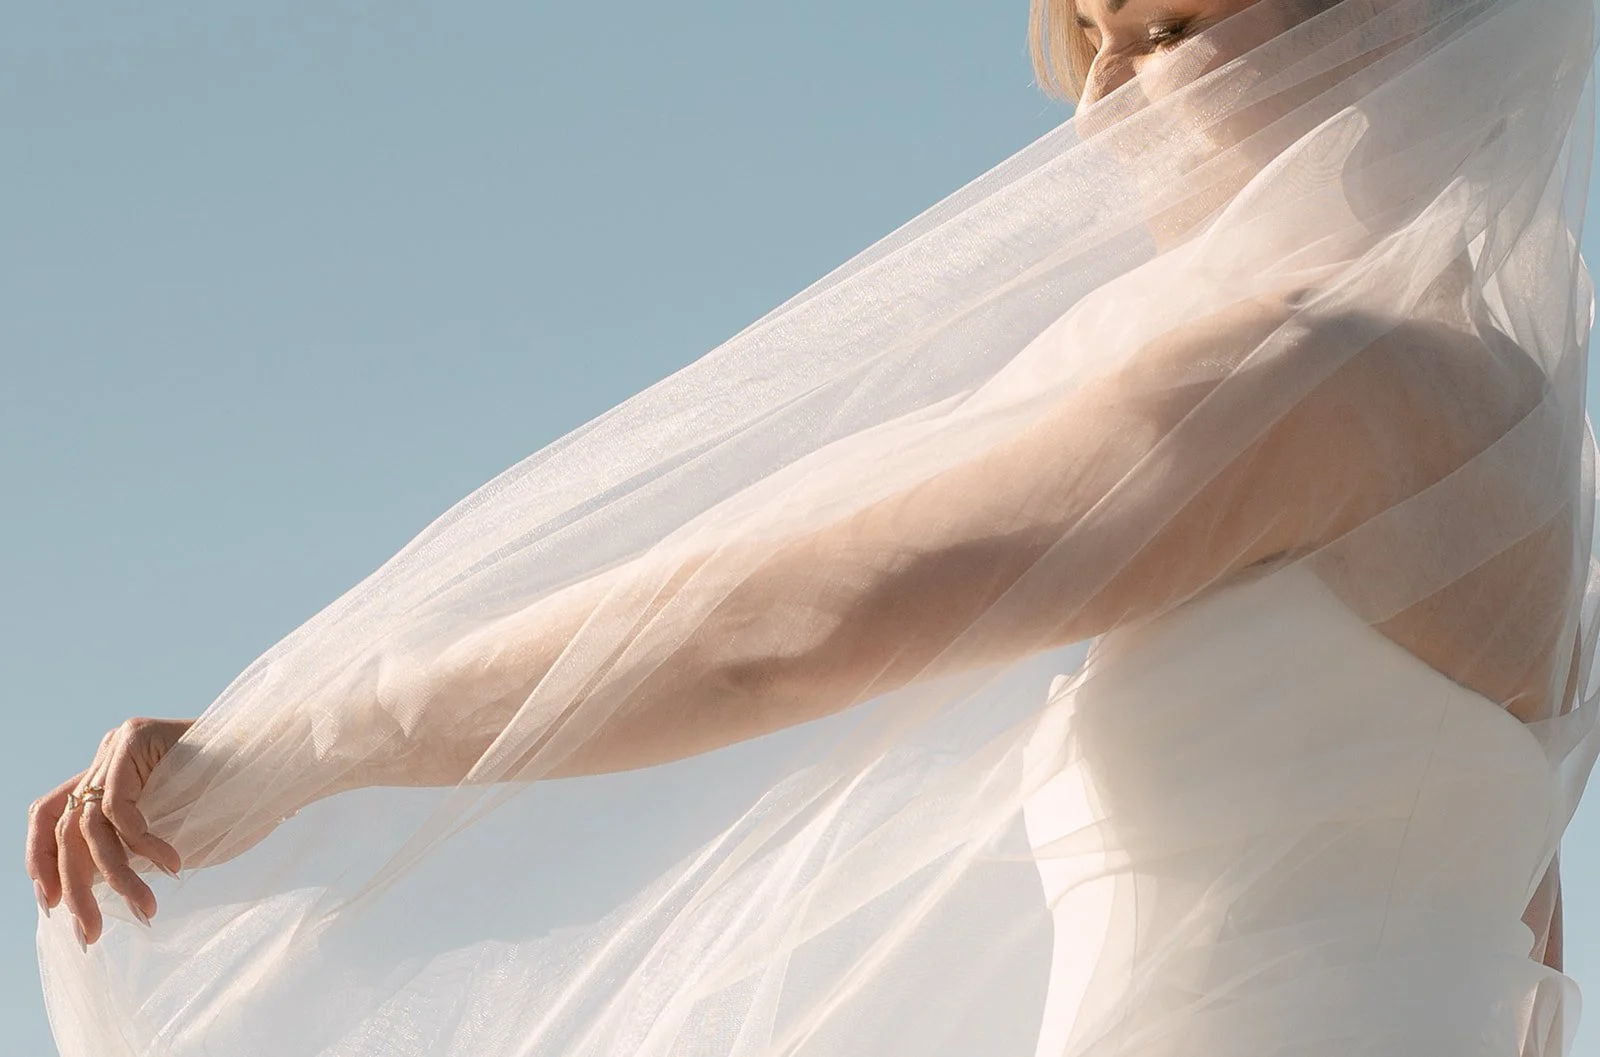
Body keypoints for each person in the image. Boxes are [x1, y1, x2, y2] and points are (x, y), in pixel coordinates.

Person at [27, 0, 1600, 1053]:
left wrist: (315, 733)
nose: (1119, 105)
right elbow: (1524, 964)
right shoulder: (1530, 460)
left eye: (1174, 26)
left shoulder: (1307, 379)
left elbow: (773, 631)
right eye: (1096, 46)